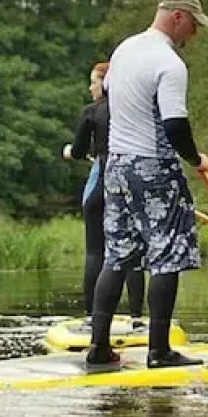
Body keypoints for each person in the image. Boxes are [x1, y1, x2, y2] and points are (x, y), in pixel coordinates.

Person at [85, 0, 208, 371]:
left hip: (117, 166)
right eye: (193, 25)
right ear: (178, 16)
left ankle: (98, 348)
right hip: (153, 166)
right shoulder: (169, 63)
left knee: (117, 254)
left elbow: (109, 96)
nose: (194, 35)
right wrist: (195, 158)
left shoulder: (124, 50)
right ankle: (159, 351)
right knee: (167, 253)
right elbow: (175, 124)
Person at [63, 60, 144, 325]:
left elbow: (76, 151)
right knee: (133, 253)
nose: (90, 88)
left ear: (105, 83)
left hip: (101, 184)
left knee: (95, 252)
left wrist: (69, 152)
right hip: (128, 186)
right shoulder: (134, 110)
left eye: (94, 82)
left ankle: (91, 317)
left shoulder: (91, 112)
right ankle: (136, 317)